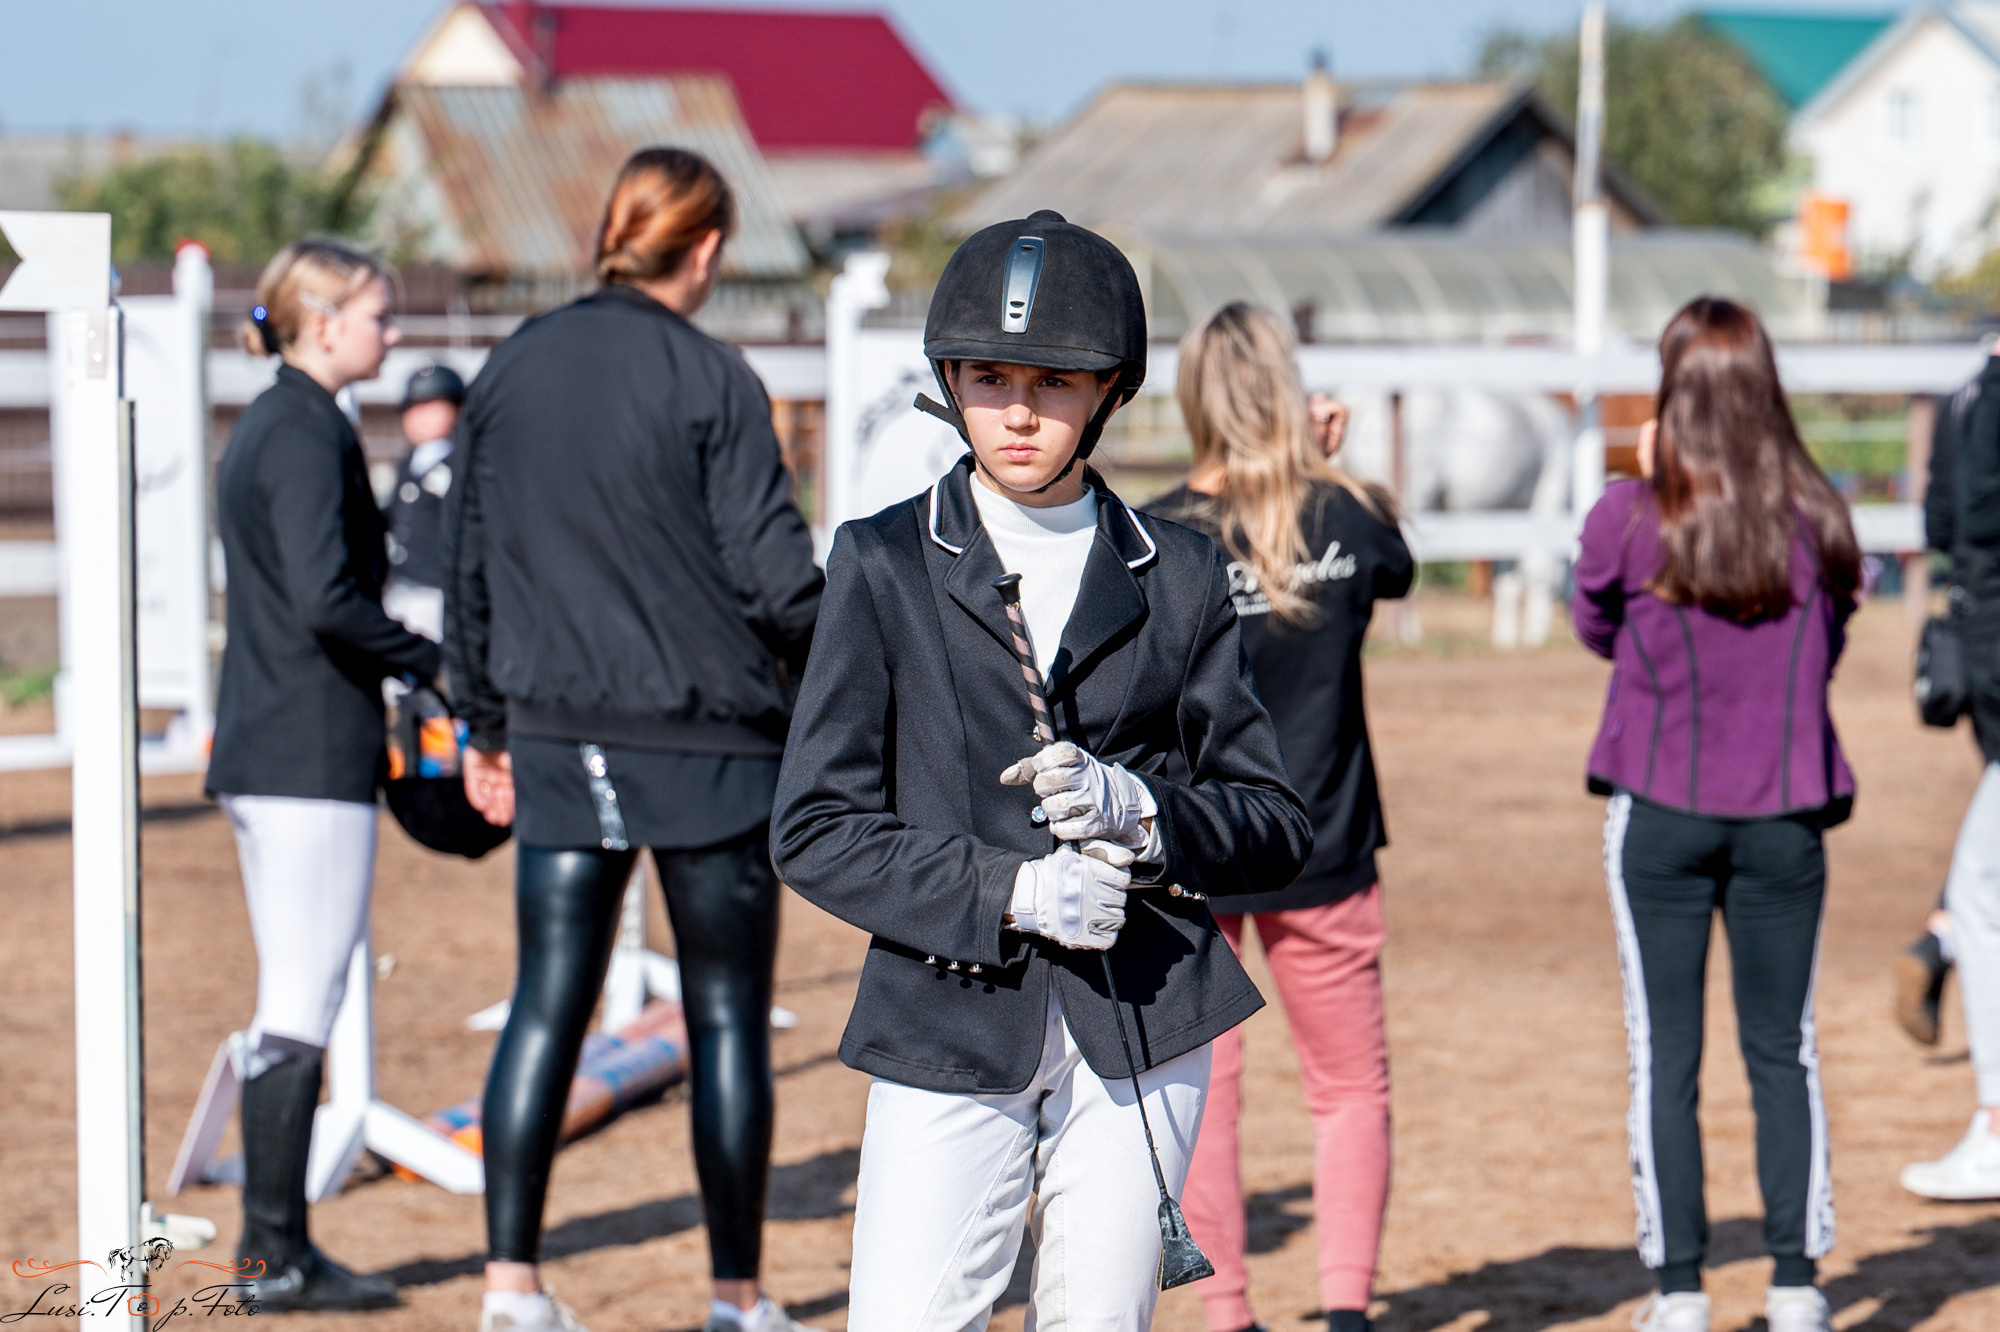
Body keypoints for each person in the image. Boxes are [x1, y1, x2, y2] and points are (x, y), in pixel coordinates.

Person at [770, 210, 1313, 1330]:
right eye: (987, 377)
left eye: (1053, 382)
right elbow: (815, 825)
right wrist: (1007, 892)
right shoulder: (879, 562)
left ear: (1109, 390)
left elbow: (1271, 818)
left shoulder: (1182, 573)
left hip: (1142, 1010)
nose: (1017, 411)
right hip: (945, 1007)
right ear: (949, 381)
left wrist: (1145, 810)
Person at [444, 148, 823, 1332]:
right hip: (710, 746)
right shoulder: (712, 377)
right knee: (723, 1019)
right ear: (704, 249)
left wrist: (483, 722)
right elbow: (777, 585)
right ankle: (736, 1297)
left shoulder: (511, 367)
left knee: (544, 1005)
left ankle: (511, 1285)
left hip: (557, 734)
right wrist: (840, 680)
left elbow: (467, 561)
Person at [1573, 297, 1860, 1332]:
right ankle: (1794, 1283)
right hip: (1785, 810)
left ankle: (1680, 1289)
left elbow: (1592, 626)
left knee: (1666, 1053)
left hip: (1658, 807)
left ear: (1672, 394)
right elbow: (1828, 643)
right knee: (1783, 1047)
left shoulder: (1624, 515)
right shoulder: (1819, 512)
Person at [1145, 302, 1411, 1332]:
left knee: (1206, 1087)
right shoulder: (1348, 516)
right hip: (1326, 842)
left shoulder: (1160, 534)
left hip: (1202, 844)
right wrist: (1322, 463)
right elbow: (1391, 566)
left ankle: (1230, 1316)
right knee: (1348, 1089)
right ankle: (1345, 1310)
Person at [206, 238, 438, 1312]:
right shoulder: (303, 430)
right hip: (305, 748)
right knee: (302, 996)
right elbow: (324, 601)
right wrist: (431, 662)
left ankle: (278, 1244)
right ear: (324, 318)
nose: (391, 334)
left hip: (275, 744)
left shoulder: (279, 422)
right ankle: (271, 1254)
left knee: (295, 993)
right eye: (379, 316)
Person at [1900, 352, 2000, 1199]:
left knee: (1981, 882)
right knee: (1981, 870)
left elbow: (1947, 515)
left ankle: (1999, 1128)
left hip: (1984, 648)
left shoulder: (1968, 392)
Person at [380, 361, 467, 641]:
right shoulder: (407, 465)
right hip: (404, 583)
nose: (420, 417)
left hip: (440, 589)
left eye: (432, 406)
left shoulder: (461, 465)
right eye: (414, 408)